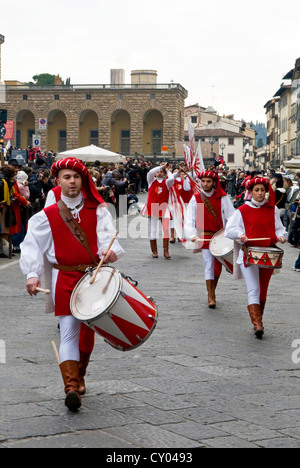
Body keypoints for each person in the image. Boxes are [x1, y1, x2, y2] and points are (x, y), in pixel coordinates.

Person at [20, 158, 124, 412]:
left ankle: (80, 375)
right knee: (68, 331)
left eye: (76, 177)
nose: (72, 181)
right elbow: (32, 244)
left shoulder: (97, 209)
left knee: (87, 334)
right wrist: (31, 274)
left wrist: (110, 253)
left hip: (92, 277)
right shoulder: (46, 216)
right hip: (64, 277)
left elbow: (108, 240)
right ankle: (70, 387)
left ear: (83, 180)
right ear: (58, 182)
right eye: (67, 177)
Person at [225, 177, 287, 339]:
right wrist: (240, 235)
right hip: (249, 255)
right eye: (256, 190)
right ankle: (257, 325)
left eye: (262, 190)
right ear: (250, 192)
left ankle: (259, 318)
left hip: (268, 256)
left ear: (266, 192)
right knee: (254, 289)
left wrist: (281, 237)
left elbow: (280, 229)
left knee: (263, 292)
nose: (260, 193)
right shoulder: (242, 210)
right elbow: (229, 230)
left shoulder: (272, 209)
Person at [185, 170, 235, 308]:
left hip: (220, 236)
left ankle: (212, 290)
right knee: (209, 265)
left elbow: (230, 218)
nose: (205, 184)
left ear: (213, 183)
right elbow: (190, 218)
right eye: (203, 181)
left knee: (217, 268)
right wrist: (192, 234)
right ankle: (211, 295)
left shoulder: (223, 198)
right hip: (204, 236)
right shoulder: (196, 198)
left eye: (208, 181)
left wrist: (231, 234)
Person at [141, 163, 174, 259]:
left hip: (164, 207)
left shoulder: (167, 183)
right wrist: (161, 167)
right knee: (153, 229)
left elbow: (171, 179)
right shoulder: (151, 181)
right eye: (158, 172)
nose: (159, 173)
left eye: (161, 172)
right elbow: (150, 172)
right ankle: (154, 251)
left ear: (164, 174)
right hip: (153, 207)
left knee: (165, 229)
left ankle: (166, 251)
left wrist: (167, 170)